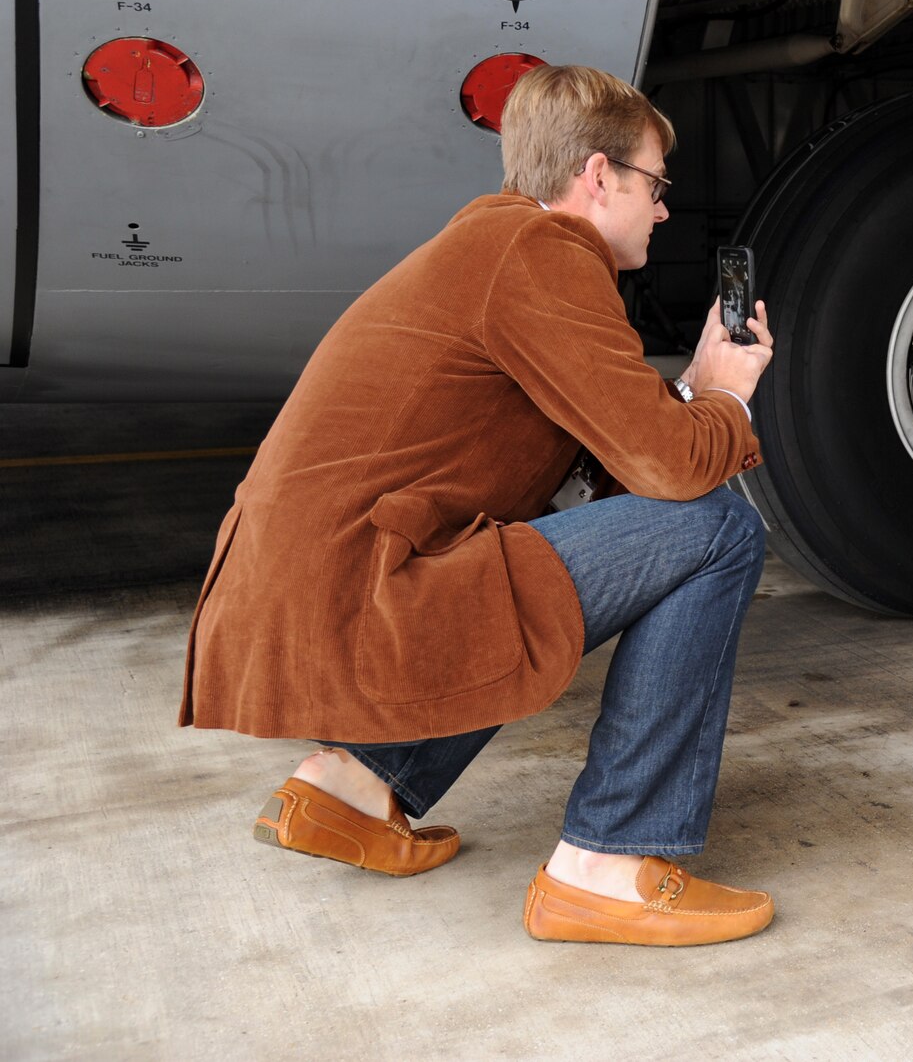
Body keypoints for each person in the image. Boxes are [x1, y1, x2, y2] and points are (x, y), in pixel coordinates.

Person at [179, 63, 780, 947]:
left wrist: (690, 387)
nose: (662, 208)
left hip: (317, 592)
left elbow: (634, 475)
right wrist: (728, 402)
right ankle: (608, 863)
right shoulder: (541, 258)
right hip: (359, 594)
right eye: (656, 184)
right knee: (720, 528)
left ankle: (350, 789)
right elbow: (676, 477)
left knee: (546, 547)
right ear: (599, 175)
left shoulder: (500, 250)